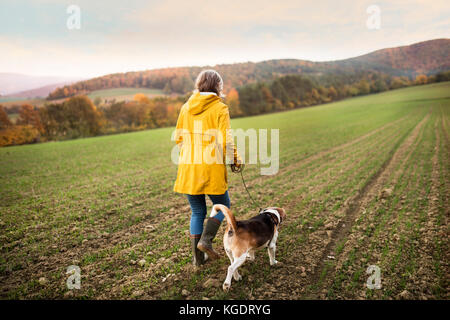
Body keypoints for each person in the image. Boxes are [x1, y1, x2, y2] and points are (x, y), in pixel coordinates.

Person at [173, 69, 242, 266]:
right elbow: (226, 140)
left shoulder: (186, 107)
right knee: (223, 206)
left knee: (197, 212)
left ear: (199, 85)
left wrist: (190, 152)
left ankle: (197, 259)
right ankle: (206, 240)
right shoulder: (220, 108)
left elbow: (179, 137)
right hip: (210, 167)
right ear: (218, 87)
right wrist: (235, 159)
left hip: (189, 167)